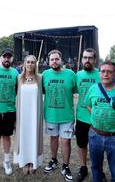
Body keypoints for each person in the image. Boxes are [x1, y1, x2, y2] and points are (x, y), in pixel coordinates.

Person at [42, 49, 76, 182]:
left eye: (57, 59)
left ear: (61, 60)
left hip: (66, 116)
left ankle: (66, 165)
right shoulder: (44, 75)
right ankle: (53, 160)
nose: (54, 61)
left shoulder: (71, 74)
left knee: (66, 140)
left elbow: (75, 90)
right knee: (53, 139)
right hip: (51, 115)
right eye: (52, 59)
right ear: (48, 61)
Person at [0, 48, 18, 176]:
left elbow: (17, 90)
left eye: (9, 57)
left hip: (9, 110)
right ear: (1, 58)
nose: (7, 59)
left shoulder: (15, 73)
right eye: (5, 57)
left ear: (11, 59)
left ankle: (6, 161)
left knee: (7, 136)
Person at [13, 55, 43, 174]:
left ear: (36, 64)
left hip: (35, 114)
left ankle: (33, 162)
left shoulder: (40, 78)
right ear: (24, 64)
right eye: (28, 62)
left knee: (33, 137)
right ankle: (24, 162)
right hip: (23, 114)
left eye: (32, 62)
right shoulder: (19, 77)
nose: (30, 64)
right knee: (24, 137)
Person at [75, 48, 100, 182]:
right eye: (85, 57)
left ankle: (98, 170)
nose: (87, 60)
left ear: (95, 60)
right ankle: (83, 168)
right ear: (81, 59)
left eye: (90, 58)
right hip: (81, 117)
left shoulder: (101, 74)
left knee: (97, 147)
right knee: (81, 144)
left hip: (98, 119)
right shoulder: (77, 75)